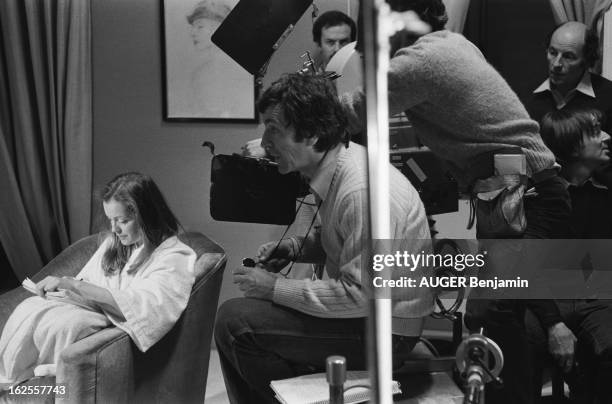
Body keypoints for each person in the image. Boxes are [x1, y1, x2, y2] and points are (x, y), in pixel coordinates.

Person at [341, 1, 571, 403]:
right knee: (498, 315)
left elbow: (358, 111)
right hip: (511, 186)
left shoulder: (422, 60)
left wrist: (291, 115)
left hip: (521, 190)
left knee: (493, 313)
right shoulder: (454, 44)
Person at [214, 74, 434, 404]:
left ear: (313, 132)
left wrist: (273, 287)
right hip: (372, 317)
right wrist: (293, 249)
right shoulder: (340, 164)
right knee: (242, 316)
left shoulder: (361, 190)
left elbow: (362, 293)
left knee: (235, 322)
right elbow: (344, 239)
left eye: (274, 128)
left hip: (386, 333)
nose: (265, 140)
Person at [0, 172, 196, 388]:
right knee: (30, 306)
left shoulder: (174, 257)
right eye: (111, 220)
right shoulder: (116, 243)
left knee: (66, 326)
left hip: (116, 324)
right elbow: (89, 280)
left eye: (123, 221)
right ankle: (14, 378)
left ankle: (53, 380)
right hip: (92, 309)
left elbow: (144, 307)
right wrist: (65, 291)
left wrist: (73, 284)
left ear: (147, 215)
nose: (114, 229)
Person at [526, 108, 612, 403]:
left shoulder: (603, 193)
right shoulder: (538, 199)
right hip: (543, 302)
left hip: (594, 296)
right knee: (521, 342)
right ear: (573, 146)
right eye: (596, 132)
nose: (607, 137)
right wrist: (554, 324)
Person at [526, 22, 612, 135]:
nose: (556, 64)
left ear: (587, 61)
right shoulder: (529, 96)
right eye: (553, 53)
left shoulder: (609, 95)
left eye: (568, 57)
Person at [182, 0, 253, 118]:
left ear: (219, 29)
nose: (192, 33)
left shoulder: (243, 72)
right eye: (193, 27)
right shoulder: (199, 75)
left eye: (200, 26)